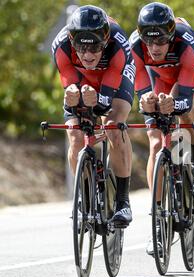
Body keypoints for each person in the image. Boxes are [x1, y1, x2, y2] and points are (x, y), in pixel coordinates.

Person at [130, 2, 194, 255]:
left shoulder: (186, 41)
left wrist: (173, 102)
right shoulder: (135, 46)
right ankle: (157, 219)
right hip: (158, 77)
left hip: (190, 72)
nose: (155, 48)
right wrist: (147, 101)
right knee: (155, 139)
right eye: (149, 42)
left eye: (161, 42)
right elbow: (142, 89)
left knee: (184, 109)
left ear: (171, 35)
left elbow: (185, 96)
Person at [52, 5, 135, 228]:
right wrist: (73, 96)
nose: (88, 55)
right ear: (72, 40)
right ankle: (84, 200)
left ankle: (122, 201)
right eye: (81, 48)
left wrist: (98, 103)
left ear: (105, 41)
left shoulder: (118, 43)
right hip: (81, 80)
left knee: (113, 127)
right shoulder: (60, 45)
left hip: (113, 78)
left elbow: (105, 100)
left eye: (95, 47)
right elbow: (70, 83)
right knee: (76, 138)